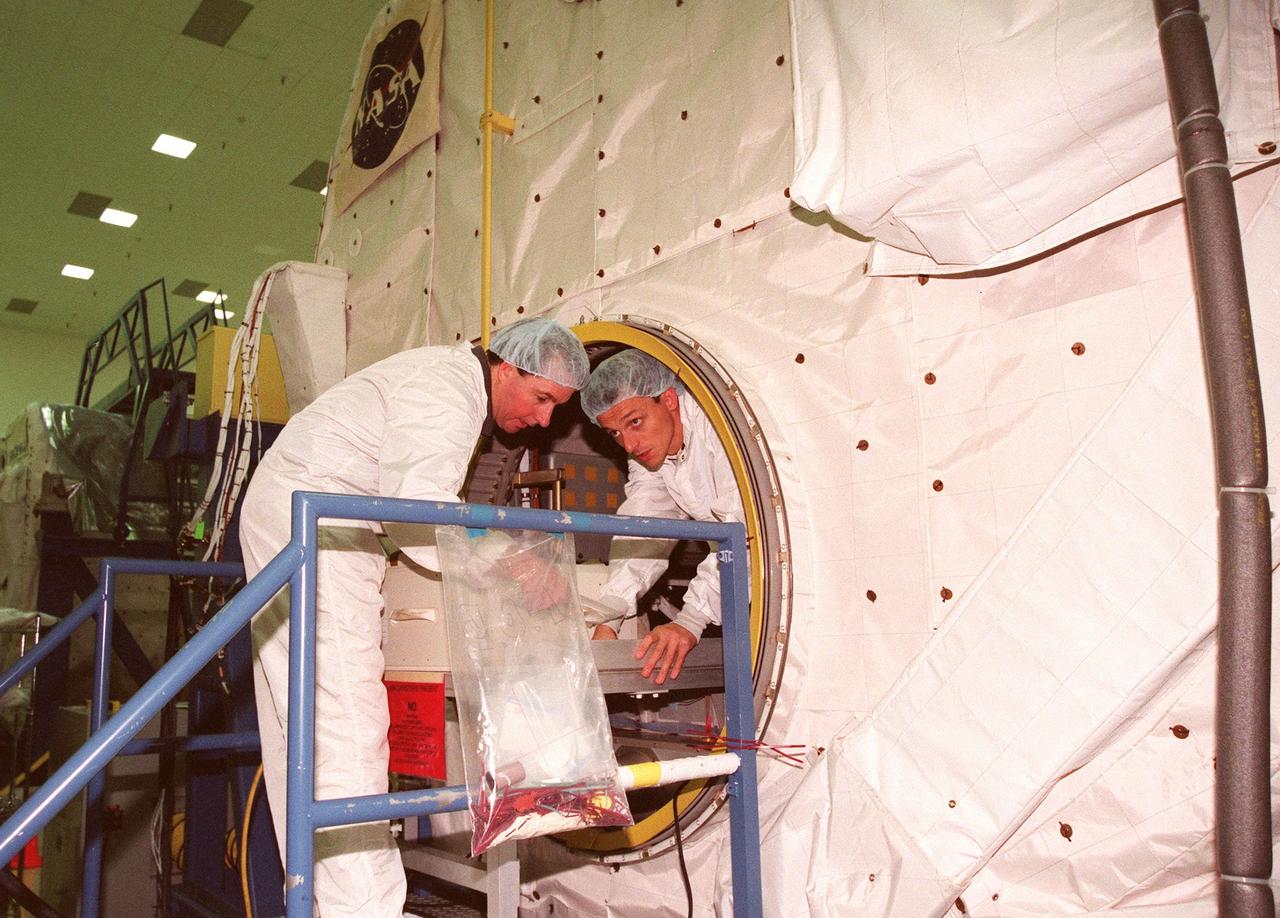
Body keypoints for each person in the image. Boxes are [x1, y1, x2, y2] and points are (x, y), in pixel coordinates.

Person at [237, 318, 589, 918]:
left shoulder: (444, 380)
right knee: (347, 725)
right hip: (317, 525)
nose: (545, 419)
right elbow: (419, 515)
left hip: (310, 520)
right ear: (508, 367)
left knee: (306, 731)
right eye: (542, 398)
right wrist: (517, 561)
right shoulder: (447, 390)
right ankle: (365, 910)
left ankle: (325, 903)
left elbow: (417, 514)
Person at [579, 349, 744, 685]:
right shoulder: (648, 453)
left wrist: (691, 620)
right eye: (614, 433)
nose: (628, 444)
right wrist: (609, 618)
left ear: (668, 399)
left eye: (634, 422)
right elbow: (644, 529)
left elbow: (745, 535)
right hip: (737, 579)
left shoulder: (719, 430)